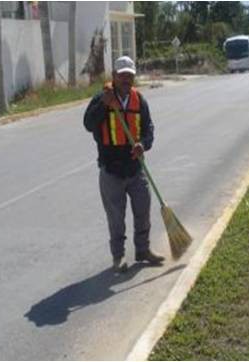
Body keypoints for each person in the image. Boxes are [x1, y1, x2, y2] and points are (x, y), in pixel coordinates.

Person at [83, 56, 165, 273]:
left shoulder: (140, 101)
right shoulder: (102, 98)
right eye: (122, 75)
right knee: (116, 219)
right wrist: (103, 104)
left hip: (135, 168)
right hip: (111, 170)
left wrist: (143, 144)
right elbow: (88, 124)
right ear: (114, 76)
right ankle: (118, 257)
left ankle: (143, 250)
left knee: (143, 211)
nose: (126, 79)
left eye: (130, 75)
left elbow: (148, 129)